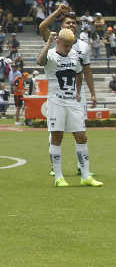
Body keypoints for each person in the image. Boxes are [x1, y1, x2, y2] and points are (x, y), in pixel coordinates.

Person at [38, 30, 102, 187]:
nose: (67, 49)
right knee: (57, 137)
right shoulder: (51, 54)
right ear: (58, 41)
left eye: (70, 46)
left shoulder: (74, 55)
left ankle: (85, 175)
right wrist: (48, 43)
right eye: (65, 45)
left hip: (72, 102)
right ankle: (58, 176)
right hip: (56, 103)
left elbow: (79, 73)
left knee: (82, 136)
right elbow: (40, 61)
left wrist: (78, 91)